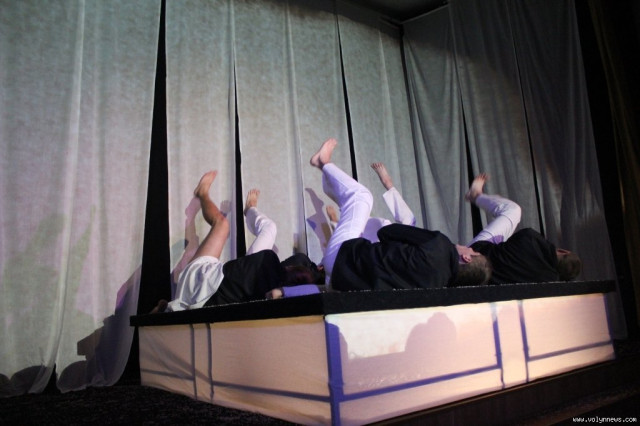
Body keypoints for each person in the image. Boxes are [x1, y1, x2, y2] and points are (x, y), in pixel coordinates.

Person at [307, 138, 491, 292]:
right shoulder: (436, 286)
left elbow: (388, 232)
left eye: (472, 251)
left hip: (343, 258)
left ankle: (324, 163)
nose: (469, 247)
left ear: (467, 258)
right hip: (341, 281)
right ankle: (332, 183)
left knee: (361, 196)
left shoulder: (440, 245)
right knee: (366, 213)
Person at [153, 172, 318, 313]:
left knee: (222, 224)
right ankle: (249, 209)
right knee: (265, 233)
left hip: (201, 281)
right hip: (197, 296)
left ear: (289, 269)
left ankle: (203, 194)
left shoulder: (267, 260)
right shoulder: (269, 298)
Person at [465, 173, 582, 283]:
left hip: (475, 254)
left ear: (563, 251)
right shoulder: (545, 283)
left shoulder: (531, 241)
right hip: (477, 278)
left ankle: (476, 195)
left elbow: (524, 238)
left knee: (513, 210)